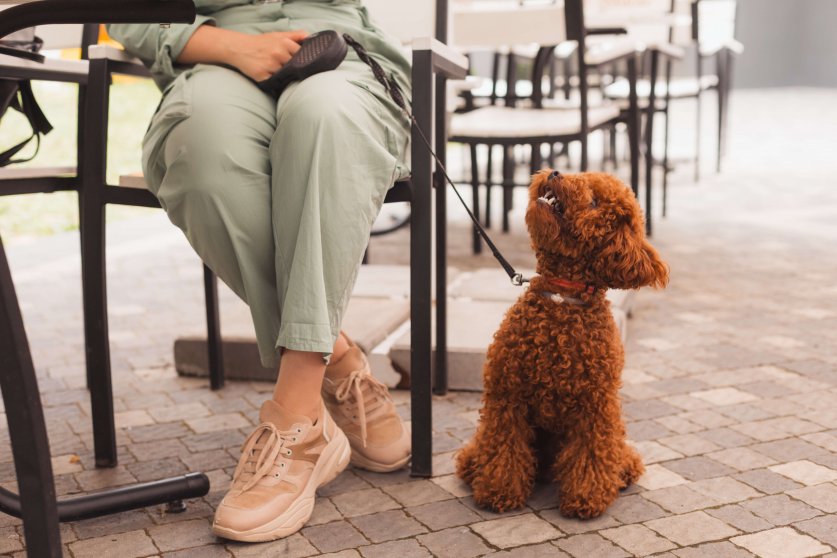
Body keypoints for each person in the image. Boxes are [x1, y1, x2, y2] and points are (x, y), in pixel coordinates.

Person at [107, 0, 411, 543]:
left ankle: (297, 418)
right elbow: (124, 12)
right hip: (217, 57)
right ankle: (337, 362)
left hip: (336, 51)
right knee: (201, 158)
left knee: (322, 119)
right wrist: (229, 45)